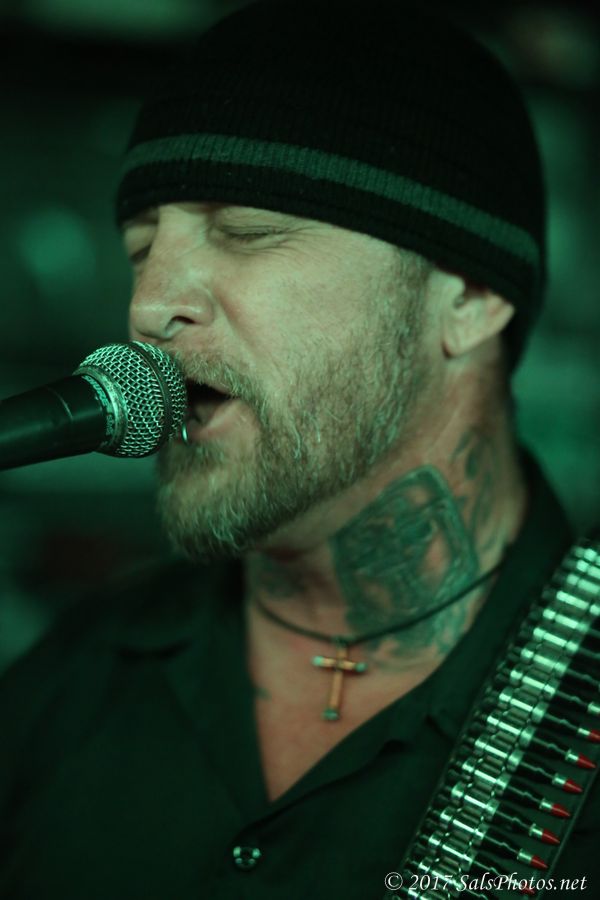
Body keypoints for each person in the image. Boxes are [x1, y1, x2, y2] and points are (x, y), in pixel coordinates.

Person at [1, 1, 598, 898]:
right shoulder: (71, 680)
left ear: (470, 295)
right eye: (141, 248)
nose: (149, 306)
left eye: (246, 231)